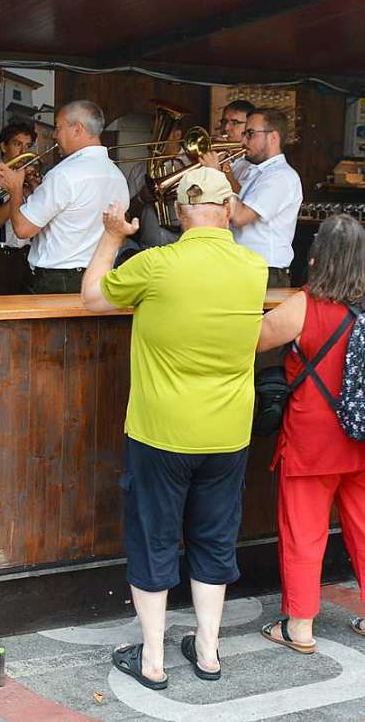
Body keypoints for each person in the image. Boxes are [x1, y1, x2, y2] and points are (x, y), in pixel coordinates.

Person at [81, 167, 267, 688]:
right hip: (228, 432)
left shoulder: (156, 265)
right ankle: (207, 653)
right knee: (214, 538)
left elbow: (92, 296)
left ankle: (154, 660)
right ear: (227, 210)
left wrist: (114, 235)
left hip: (160, 431)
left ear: (179, 215)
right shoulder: (255, 267)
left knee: (153, 539)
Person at [256, 214, 365, 651]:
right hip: (360, 436)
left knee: (304, 530)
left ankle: (299, 626)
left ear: (316, 256)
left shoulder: (303, 306)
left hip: (312, 442)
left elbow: (254, 340)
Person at [0, 100, 129, 294]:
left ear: (77, 129)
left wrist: (15, 189)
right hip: (100, 277)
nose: (55, 135)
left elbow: (22, 229)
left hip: (58, 280)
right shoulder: (117, 176)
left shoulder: (63, 174)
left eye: (58, 128)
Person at [202, 108, 301, 287]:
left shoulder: (281, 176)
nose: (244, 140)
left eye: (250, 134)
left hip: (266, 271)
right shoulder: (256, 172)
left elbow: (240, 217)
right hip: (248, 267)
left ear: (273, 137)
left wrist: (217, 174)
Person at [0, 122, 39, 295]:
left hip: (29, 257)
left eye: (28, 146)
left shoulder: (32, 177)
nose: (24, 152)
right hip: (1, 258)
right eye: (18, 144)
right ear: (3, 146)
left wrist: (35, 188)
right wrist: (18, 191)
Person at [213, 99, 255, 192]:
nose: (226, 128)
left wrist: (223, 164)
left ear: (250, 126)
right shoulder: (217, 152)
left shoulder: (254, 163)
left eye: (235, 123)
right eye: (224, 122)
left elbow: (241, 198)